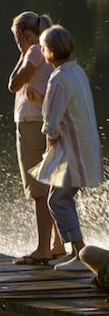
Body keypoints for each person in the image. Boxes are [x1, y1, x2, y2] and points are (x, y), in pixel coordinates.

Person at [30, 25, 103, 271]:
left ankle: (81, 255)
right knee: (61, 199)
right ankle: (77, 252)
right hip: (86, 147)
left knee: (58, 200)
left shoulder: (58, 78)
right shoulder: (77, 71)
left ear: (50, 51)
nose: (42, 51)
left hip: (72, 151)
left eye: (43, 47)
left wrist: (49, 153)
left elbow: (51, 124)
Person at [7, 11, 64, 265]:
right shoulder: (49, 49)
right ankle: (57, 244)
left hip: (31, 124)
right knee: (52, 183)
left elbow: (13, 84)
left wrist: (22, 52)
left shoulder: (32, 52)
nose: (17, 42)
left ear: (24, 34)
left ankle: (43, 249)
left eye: (17, 36)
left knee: (38, 189)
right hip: (47, 123)